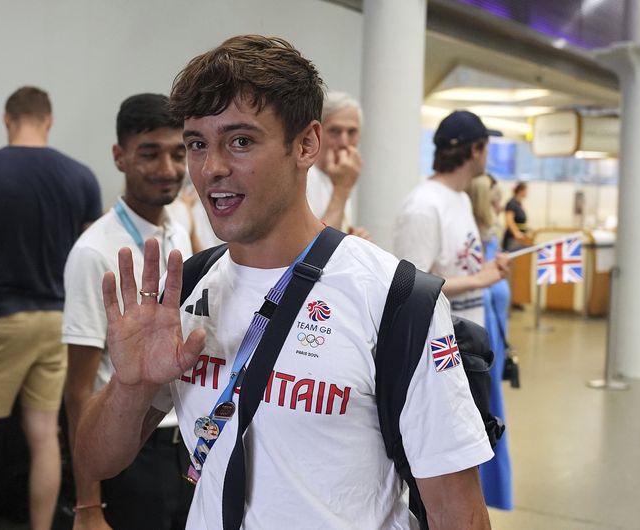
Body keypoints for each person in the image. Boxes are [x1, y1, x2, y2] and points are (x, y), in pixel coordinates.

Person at [74, 35, 493, 529]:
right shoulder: (189, 289)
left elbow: (457, 512)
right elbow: (98, 462)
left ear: (307, 144)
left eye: (241, 141)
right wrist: (131, 384)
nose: (212, 169)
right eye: (197, 144)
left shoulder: (393, 299)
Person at [0, 86, 101, 530]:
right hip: (59, 321)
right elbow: (87, 258)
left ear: (7, 119)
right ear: (49, 121)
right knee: (44, 435)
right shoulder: (81, 177)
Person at [62, 93, 195, 530]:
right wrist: (88, 506)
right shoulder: (94, 252)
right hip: (132, 446)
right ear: (119, 157)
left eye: (179, 153)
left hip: (189, 442)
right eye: (150, 154)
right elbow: (79, 389)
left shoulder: (178, 228)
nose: (168, 169)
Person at [394, 110, 509, 326]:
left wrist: (486, 270)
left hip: (466, 341)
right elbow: (412, 287)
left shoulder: (462, 199)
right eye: (486, 147)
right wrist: (477, 280)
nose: (487, 155)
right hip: (438, 345)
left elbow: (457, 269)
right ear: (475, 150)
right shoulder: (424, 205)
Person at [467, 174, 513, 511]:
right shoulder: (476, 248)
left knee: (489, 418)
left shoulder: (490, 243)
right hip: (478, 342)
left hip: (491, 340)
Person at [307, 91, 369, 237]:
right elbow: (314, 249)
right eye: (335, 131)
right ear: (316, 133)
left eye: (352, 132)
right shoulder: (302, 177)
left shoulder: (339, 176)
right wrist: (341, 189)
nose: (344, 143)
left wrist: (354, 241)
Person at [502, 182, 531, 251]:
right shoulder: (511, 203)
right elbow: (509, 221)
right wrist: (516, 233)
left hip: (520, 238)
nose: (527, 193)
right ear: (521, 191)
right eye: (526, 190)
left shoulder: (519, 204)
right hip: (512, 239)